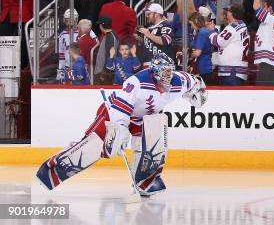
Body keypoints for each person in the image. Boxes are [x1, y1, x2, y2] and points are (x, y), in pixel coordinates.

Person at [37, 54, 207, 196]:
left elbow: (195, 81)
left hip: (144, 118)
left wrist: (199, 92)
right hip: (114, 113)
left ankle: (146, 181)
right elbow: (121, 109)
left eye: (170, 70)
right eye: (164, 72)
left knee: (155, 131)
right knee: (95, 146)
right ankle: (52, 170)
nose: (168, 76)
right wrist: (120, 130)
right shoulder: (136, 82)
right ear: (154, 72)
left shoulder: (180, 80)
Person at [211, 4, 249, 85]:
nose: (226, 13)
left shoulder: (233, 27)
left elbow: (218, 42)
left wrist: (211, 31)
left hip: (232, 71)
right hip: (237, 70)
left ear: (231, 13)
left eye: (228, 11)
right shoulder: (242, 26)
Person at [188, 11, 216, 84]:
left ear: (196, 21)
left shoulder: (202, 33)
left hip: (202, 68)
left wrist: (187, 55)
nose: (191, 26)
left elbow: (197, 53)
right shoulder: (203, 31)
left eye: (191, 24)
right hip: (205, 67)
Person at [93, 16, 119, 84]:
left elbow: (110, 55)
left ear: (101, 26)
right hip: (104, 72)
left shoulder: (110, 37)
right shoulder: (111, 34)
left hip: (104, 74)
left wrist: (104, 74)